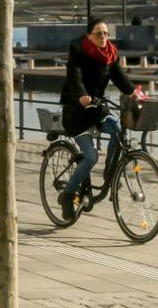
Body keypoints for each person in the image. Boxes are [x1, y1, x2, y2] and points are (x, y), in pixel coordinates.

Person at [57, 18, 138, 220]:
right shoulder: (78, 53)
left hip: (97, 109)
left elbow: (119, 77)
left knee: (118, 129)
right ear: (89, 36)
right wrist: (81, 95)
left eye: (106, 33)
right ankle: (68, 195)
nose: (103, 37)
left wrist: (133, 92)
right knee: (91, 156)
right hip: (77, 111)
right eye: (99, 33)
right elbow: (74, 78)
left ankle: (110, 170)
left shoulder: (110, 55)